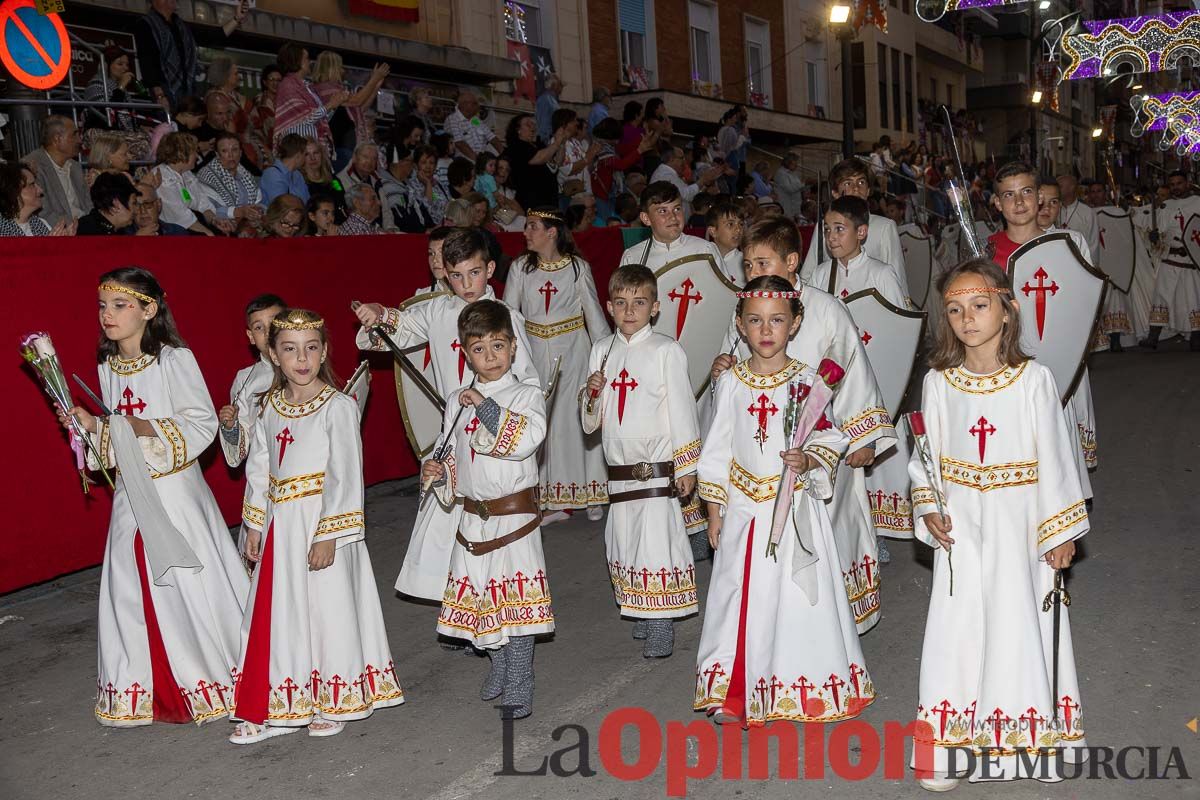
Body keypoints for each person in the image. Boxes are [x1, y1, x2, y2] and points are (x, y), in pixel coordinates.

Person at [908, 259, 1089, 789]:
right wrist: (929, 505)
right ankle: (947, 748)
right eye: (955, 309)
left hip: (1020, 527)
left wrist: (1059, 534)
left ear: (1007, 311)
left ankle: (1036, 744)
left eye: (979, 306)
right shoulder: (939, 383)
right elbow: (927, 457)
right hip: (961, 530)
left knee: (1021, 626)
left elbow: (1056, 458)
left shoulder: (1034, 380)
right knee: (957, 630)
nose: (967, 318)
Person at [58, 267, 250, 726]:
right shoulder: (107, 368)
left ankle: (213, 678)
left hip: (175, 490)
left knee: (187, 585)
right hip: (131, 493)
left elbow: (201, 422)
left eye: (120, 305)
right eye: (103, 305)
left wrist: (134, 426)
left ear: (149, 309)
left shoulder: (173, 360)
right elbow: (113, 445)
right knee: (130, 585)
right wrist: (89, 431)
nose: (108, 315)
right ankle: (140, 688)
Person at [695, 274, 873, 726]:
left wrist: (809, 458)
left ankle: (798, 684)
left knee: (793, 601)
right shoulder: (731, 382)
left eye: (777, 320)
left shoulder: (808, 382)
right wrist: (714, 511)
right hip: (742, 511)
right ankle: (736, 692)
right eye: (755, 321)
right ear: (740, 325)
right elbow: (716, 450)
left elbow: (831, 435)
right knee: (739, 598)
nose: (766, 330)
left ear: (795, 324)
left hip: (793, 509)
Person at [709, 218, 895, 631]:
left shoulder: (827, 310)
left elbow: (852, 371)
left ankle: (834, 626)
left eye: (762, 262)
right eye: (748, 265)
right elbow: (736, 369)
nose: (753, 273)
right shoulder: (748, 308)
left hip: (825, 449)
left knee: (831, 532)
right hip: (765, 455)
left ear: (792, 261)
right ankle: (780, 625)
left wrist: (863, 438)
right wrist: (722, 366)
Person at [231, 308, 403, 743]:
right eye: (289, 350)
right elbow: (260, 467)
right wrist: (254, 523)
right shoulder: (268, 406)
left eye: (311, 348)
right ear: (273, 354)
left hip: (320, 526)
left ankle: (332, 698)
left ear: (324, 350)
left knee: (326, 611)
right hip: (280, 528)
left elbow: (345, 475)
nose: (301, 359)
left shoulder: (338, 407)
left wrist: (328, 534)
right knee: (279, 614)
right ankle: (279, 703)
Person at [354, 229, 540, 606]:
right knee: (443, 525)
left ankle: (490, 602)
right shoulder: (437, 311)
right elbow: (401, 328)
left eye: (473, 273)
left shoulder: (506, 319)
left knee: (483, 525)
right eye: (456, 275)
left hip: (490, 432)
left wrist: (499, 412)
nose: (466, 284)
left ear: (489, 269)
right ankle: (456, 605)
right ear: (445, 274)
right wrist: (377, 314)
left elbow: (529, 380)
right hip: (453, 432)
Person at [420, 300, 551, 719]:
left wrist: (487, 406)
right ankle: (498, 664)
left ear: (513, 347)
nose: (490, 357)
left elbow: (525, 440)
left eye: (499, 346)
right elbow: (453, 452)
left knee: (516, 608)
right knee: (477, 605)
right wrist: (439, 472)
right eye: (480, 349)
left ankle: (520, 681)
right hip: (471, 517)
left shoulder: (528, 394)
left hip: (513, 517)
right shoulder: (456, 399)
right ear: (465, 351)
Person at [581, 264, 700, 657]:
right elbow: (589, 424)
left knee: (655, 544)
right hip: (618, 467)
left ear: (655, 307)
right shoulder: (601, 349)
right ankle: (641, 608)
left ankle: (661, 622)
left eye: (639, 303)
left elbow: (683, 410)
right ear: (609, 307)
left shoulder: (666, 350)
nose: (629, 311)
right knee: (624, 543)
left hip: (655, 465)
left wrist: (686, 466)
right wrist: (592, 395)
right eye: (621, 303)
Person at [987, 161, 1096, 496]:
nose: (1019, 202)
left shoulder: (1066, 248)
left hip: (1052, 371)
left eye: (1026, 192)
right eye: (1009, 195)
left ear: (1041, 198)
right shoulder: (987, 251)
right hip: (1004, 368)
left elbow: (1083, 309)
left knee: (1053, 467)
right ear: (996, 203)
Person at [503, 209, 610, 522]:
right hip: (534, 353)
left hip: (574, 351)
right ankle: (551, 499)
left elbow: (593, 313)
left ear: (552, 232)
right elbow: (509, 313)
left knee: (578, 422)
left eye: (533, 227)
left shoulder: (577, 267)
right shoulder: (521, 267)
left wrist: (605, 358)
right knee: (543, 425)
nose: (526, 233)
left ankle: (592, 493)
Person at [801, 159, 908, 304]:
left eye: (861, 182)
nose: (856, 188)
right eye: (847, 183)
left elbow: (898, 278)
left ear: (869, 190)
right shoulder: (823, 228)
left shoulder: (884, 227)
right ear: (835, 193)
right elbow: (808, 276)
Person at [218, 294, 287, 469]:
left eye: (274, 323)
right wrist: (231, 426)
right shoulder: (245, 379)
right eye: (258, 327)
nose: (267, 332)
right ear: (250, 336)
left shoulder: (308, 364)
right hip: (264, 471)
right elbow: (240, 449)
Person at [1143, 170, 1200, 351]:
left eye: (1179, 183)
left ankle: (1196, 338)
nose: (1176, 187)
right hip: (1170, 258)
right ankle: (1153, 337)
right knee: (1161, 296)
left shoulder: (1198, 203)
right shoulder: (1165, 206)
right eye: (1173, 184)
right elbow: (1159, 232)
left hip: (1191, 260)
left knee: (1193, 300)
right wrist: (1153, 237)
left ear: (1188, 183)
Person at [618, 181, 724, 272]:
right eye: (663, 211)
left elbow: (727, 292)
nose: (673, 217)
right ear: (646, 218)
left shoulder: (705, 250)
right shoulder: (633, 258)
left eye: (677, 209)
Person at [311, 51, 390, 172]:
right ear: (332, 68)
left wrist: (376, 85)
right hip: (338, 147)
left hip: (346, 146)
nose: (343, 71)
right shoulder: (324, 88)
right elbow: (357, 101)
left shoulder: (337, 88)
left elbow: (360, 107)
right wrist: (374, 79)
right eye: (340, 66)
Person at [273, 43, 347, 157]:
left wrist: (333, 106)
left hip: (315, 148)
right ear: (298, 61)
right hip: (299, 151)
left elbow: (320, 118)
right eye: (306, 58)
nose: (310, 62)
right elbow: (304, 119)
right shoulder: (288, 85)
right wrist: (329, 105)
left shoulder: (307, 87)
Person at [153, 131, 233, 235]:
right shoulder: (161, 176)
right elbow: (179, 217)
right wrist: (209, 234)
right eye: (194, 152)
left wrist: (215, 220)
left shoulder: (186, 173)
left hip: (193, 224)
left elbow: (202, 203)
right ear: (182, 153)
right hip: (174, 231)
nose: (197, 156)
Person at [23, 115, 92, 228]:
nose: (79, 140)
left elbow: (88, 205)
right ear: (57, 139)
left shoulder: (75, 167)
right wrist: (76, 229)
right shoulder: (32, 166)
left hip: (85, 229)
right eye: (74, 134)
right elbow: (42, 213)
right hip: (60, 233)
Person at [133, 0, 199, 109]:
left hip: (187, 85)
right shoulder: (145, 24)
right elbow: (147, 61)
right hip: (164, 87)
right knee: (168, 123)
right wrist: (159, 94)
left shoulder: (182, 25)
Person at [197, 131, 265, 229]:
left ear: (241, 153)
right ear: (217, 154)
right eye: (224, 151)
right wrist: (239, 212)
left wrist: (258, 211)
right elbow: (208, 211)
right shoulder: (207, 176)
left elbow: (258, 202)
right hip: (222, 228)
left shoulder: (247, 175)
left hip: (249, 225)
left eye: (235, 150)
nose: (231, 155)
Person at [337, 142, 408, 230]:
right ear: (355, 158)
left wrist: (390, 228)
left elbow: (386, 210)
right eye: (365, 157)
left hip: (379, 230)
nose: (370, 162)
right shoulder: (340, 180)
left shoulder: (376, 180)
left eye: (374, 158)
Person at [648, 143, 726, 221]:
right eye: (681, 158)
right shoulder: (665, 174)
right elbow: (686, 195)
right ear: (671, 159)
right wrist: (702, 180)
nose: (684, 162)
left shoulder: (669, 173)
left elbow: (689, 195)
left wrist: (705, 184)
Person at [504, 113, 565, 212]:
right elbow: (539, 158)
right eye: (528, 124)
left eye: (533, 124)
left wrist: (562, 143)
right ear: (518, 130)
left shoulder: (539, 145)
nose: (532, 126)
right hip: (533, 201)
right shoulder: (516, 147)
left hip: (550, 200)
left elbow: (557, 162)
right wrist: (557, 142)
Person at [0, 162, 73, 236]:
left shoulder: (40, 223)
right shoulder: (3, 228)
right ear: (14, 191)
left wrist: (65, 243)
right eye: (32, 185)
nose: (40, 190)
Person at [444, 90, 501, 162]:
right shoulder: (453, 119)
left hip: (482, 159)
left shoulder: (474, 120)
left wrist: (504, 155)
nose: (478, 106)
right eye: (475, 103)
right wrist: (478, 161)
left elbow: (491, 137)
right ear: (464, 104)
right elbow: (459, 143)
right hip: (464, 162)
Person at [554, 109, 600, 197]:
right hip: (571, 195)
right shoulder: (556, 143)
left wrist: (593, 154)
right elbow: (568, 171)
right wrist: (589, 156)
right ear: (565, 123)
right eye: (574, 120)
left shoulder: (575, 142)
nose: (577, 123)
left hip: (585, 193)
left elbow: (586, 168)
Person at [407, 144, 451, 229]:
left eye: (431, 163)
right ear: (416, 165)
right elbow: (427, 210)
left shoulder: (441, 186)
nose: (428, 166)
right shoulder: (410, 187)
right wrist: (428, 184)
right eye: (423, 162)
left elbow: (450, 208)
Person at [260, 134, 311, 206]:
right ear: (298, 156)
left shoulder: (297, 174)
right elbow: (281, 208)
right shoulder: (272, 174)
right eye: (305, 154)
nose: (305, 158)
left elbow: (308, 202)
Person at [248, 63, 282, 167]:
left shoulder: (283, 101)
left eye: (279, 80)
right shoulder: (260, 101)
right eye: (272, 79)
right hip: (265, 149)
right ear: (264, 82)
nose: (275, 83)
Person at [705, 197, 746, 286]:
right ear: (713, 231)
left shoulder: (745, 263)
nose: (738, 229)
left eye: (741, 224)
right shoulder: (701, 257)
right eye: (730, 224)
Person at [300, 138, 345, 217]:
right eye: (307, 154)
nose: (312, 158)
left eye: (316, 153)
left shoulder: (334, 180)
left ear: (321, 155)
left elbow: (342, 199)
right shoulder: (300, 183)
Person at [773, 153, 805, 221]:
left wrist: (807, 185)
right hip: (786, 207)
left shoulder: (793, 174)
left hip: (795, 207)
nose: (797, 164)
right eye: (795, 161)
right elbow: (790, 189)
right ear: (788, 161)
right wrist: (804, 183)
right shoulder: (781, 173)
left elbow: (799, 187)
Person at [535, 73, 563, 144]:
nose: (562, 87)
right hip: (547, 139)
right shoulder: (545, 99)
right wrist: (546, 140)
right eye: (560, 84)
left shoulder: (552, 99)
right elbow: (543, 121)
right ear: (554, 85)